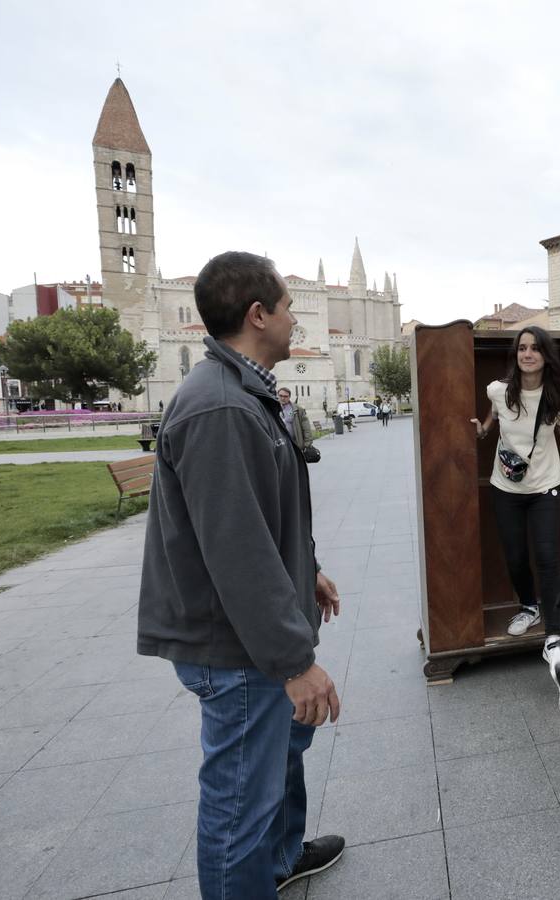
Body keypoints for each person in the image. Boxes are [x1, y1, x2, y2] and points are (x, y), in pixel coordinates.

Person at [137, 251, 346, 898]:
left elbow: (262, 511)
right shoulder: (221, 407)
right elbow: (236, 551)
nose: (295, 323)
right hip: (238, 649)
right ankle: (255, 867)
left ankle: (280, 860)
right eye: (287, 309)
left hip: (256, 635)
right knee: (238, 807)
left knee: (282, 757)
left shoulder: (247, 392)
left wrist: (305, 568)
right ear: (259, 315)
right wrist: (292, 661)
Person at [470, 326, 560, 637]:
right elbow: (490, 420)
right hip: (506, 487)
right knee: (516, 556)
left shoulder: (559, 394)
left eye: (535, 348)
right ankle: (528, 607)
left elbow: (559, 424)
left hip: (545, 486)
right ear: (516, 354)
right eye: (522, 348)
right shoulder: (498, 390)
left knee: (547, 557)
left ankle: (552, 633)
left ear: (546, 355)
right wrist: (480, 431)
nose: (527, 354)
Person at [277, 387, 314, 452]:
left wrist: (307, 444)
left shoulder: (298, 409)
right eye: (281, 396)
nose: (283, 398)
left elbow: (306, 428)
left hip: (295, 444)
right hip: (279, 445)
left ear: (289, 397)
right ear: (278, 395)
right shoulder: (273, 408)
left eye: (285, 396)